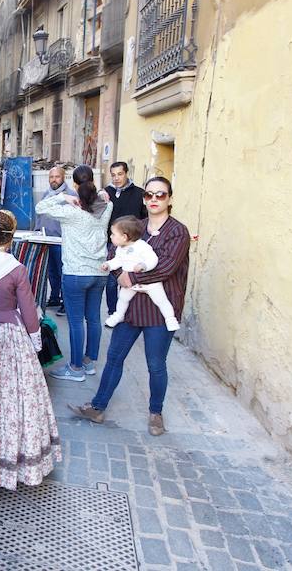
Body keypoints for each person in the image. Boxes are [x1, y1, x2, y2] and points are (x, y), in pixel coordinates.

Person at [69, 177, 190, 437]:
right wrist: (118, 275)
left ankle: (156, 412)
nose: (154, 199)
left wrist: (130, 277)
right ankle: (98, 407)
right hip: (131, 306)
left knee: (155, 364)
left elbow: (167, 268)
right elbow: (115, 256)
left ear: (170, 198)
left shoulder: (178, 232)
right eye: (149, 195)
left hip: (159, 308)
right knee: (114, 358)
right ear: (144, 199)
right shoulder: (138, 226)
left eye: (161, 195)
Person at [0, 211, 61, 492]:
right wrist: (35, 342)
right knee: (8, 398)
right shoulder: (16, 268)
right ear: (11, 237)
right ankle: (4, 461)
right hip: (5, 335)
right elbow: (29, 312)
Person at [35, 165, 112, 382]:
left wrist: (63, 198)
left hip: (76, 273)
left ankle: (75, 368)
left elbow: (41, 207)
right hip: (99, 272)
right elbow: (106, 197)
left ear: (75, 185)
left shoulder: (70, 211)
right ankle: (88, 363)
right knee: (94, 318)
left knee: (76, 321)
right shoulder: (106, 207)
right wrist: (102, 194)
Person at [102, 216, 180, 331]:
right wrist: (108, 265)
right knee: (123, 298)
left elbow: (152, 259)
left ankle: (170, 318)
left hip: (150, 283)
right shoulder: (120, 248)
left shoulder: (141, 246)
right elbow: (118, 260)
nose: (111, 236)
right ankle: (119, 315)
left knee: (161, 300)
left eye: (113, 234)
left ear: (124, 237)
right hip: (130, 284)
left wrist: (144, 266)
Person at [104, 161, 147, 317]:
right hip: (113, 244)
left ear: (127, 173)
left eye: (120, 174)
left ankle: (128, 313)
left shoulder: (139, 193)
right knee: (111, 282)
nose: (116, 178)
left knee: (130, 279)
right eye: (113, 175)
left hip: (133, 245)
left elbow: (145, 218)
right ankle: (113, 312)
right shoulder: (106, 193)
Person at [34, 166, 77, 315]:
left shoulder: (70, 195)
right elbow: (40, 214)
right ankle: (54, 298)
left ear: (63, 177)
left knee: (62, 273)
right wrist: (37, 230)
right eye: (51, 177)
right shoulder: (47, 193)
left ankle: (66, 303)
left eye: (57, 176)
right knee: (51, 272)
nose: (54, 179)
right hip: (46, 239)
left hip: (61, 242)